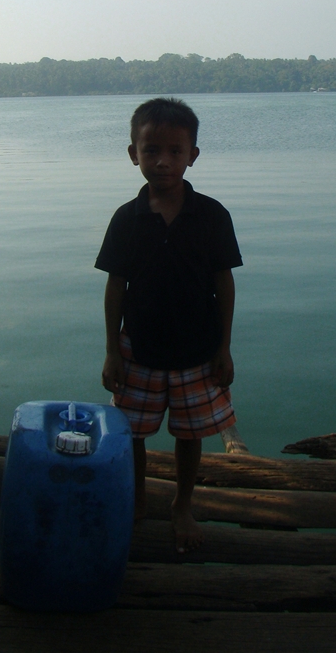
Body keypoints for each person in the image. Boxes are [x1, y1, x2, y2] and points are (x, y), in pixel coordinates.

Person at [95, 97, 242, 553]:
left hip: (198, 352)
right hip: (139, 349)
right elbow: (115, 289)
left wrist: (224, 348)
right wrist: (111, 350)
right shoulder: (126, 218)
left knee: (191, 433)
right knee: (132, 434)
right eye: (151, 149)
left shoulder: (212, 215)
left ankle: (182, 503)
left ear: (193, 155)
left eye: (175, 151)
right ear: (132, 153)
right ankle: (136, 497)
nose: (163, 161)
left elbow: (225, 286)